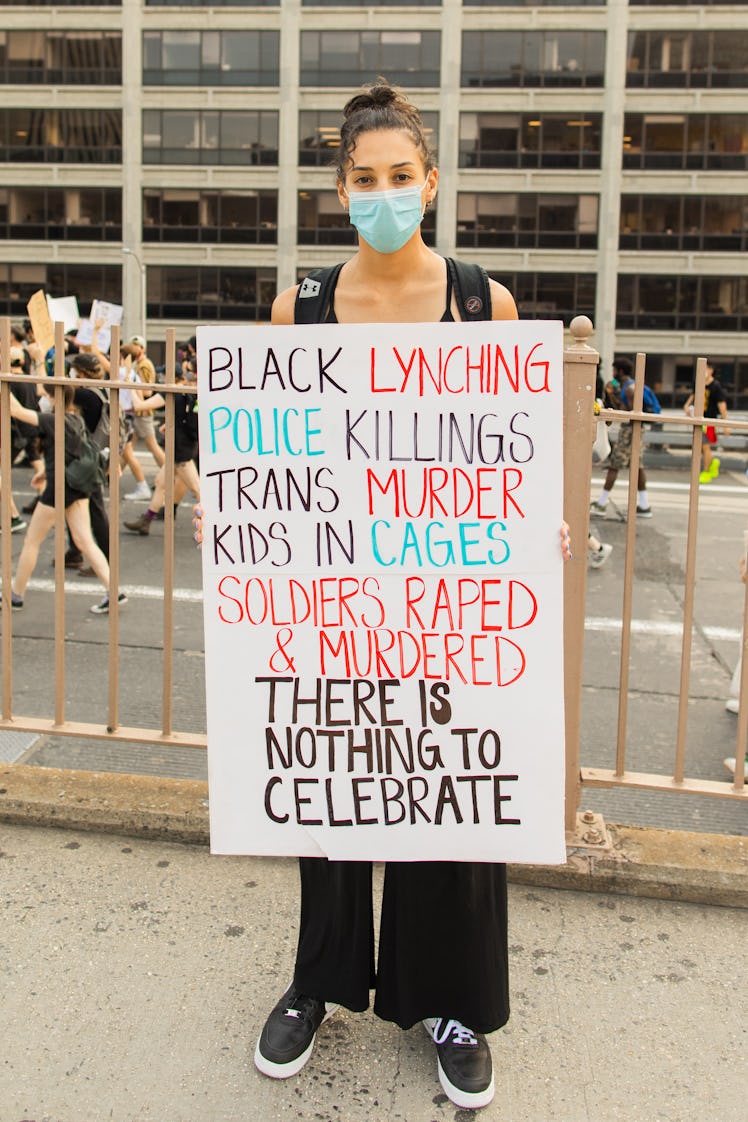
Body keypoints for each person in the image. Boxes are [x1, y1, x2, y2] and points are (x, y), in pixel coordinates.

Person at [194, 81, 572, 1112]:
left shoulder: (480, 301)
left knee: (444, 793)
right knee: (331, 789)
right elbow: (269, 455)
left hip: (445, 601)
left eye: (400, 178)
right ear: (338, 190)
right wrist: (232, 520)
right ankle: (319, 983)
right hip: (333, 599)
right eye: (364, 181)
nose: (384, 195)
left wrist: (537, 531)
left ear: (432, 183)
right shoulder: (299, 310)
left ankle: (450, 1003)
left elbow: (507, 457)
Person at [3, 381, 126, 615]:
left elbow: (16, 411)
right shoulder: (75, 419)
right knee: (84, 540)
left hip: (60, 488)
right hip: (78, 485)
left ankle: (16, 596)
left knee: (32, 540)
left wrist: (4, 383)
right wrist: (43, 472)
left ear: (53, 398)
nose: (41, 399)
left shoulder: (53, 420)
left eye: (44, 395)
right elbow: (70, 452)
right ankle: (114, 591)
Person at [123, 365, 200, 537]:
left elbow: (140, 406)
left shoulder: (170, 392)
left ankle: (218, 525)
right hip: (182, 446)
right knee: (160, 484)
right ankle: (146, 521)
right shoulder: (186, 391)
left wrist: (130, 387)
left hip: (180, 451)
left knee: (198, 490)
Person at [590, 357, 653, 520]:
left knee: (614, 465)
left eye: (614, 370)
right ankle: (644, 505)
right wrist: (613, 396)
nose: (613, 373)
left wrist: (614, 396)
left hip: (630, 431)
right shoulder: (626, 387)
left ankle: (602, 503)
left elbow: (628, 414)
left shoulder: (629, 388)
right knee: (637, 466)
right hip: (633, 430)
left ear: (621, 371)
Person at [124, 334, 164, 499]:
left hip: (143, 412)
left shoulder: (144, 366)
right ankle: (110, 476)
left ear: (142, 348)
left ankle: (169, 475)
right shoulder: (139, 364)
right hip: (138, 412)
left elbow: (147, 391)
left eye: (137, 346)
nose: (134, 349)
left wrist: (132, 385)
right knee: (126, 448)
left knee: (151, 446)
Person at [683, 360, 729, 484]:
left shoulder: (716, 386)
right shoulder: (699, 383)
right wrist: (687, 406)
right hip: (698, 419)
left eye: (706, 369)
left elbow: (722, 405)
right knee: (700, 447)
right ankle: (713, 463)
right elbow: (693, 395)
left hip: (709, 421)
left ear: (711, 370)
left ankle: (706, 471)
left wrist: (725, 424)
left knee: (705, 446)